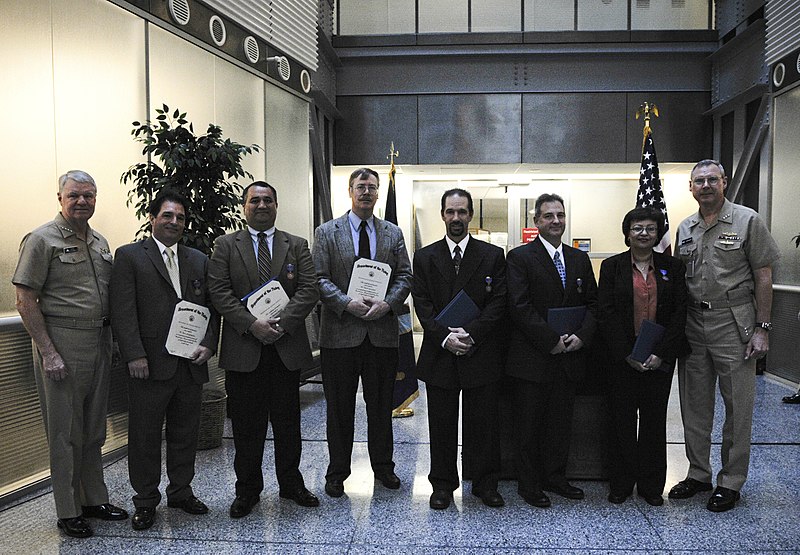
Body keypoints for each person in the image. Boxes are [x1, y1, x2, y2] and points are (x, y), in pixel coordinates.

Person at [12, 170, 128, 538]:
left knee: (94, 430)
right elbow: (24, 299)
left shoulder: (99, 242)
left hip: (100, 341)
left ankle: (94, 498)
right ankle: (68, 509)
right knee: (64, 433)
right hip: (62, 343)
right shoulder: (41, 239)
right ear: (60, 198)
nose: (82, 201)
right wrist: (48, 351)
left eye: (89, 195)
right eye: (74, 195)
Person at [669, 159, 780, 512]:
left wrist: (762, 329)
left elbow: (764, 276)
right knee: (694, 406)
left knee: (738, 406)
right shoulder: (685, 228)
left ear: (724, 183)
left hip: (734, 324)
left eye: (711, 180)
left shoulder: (748, 221)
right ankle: (699, 473)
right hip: (693, 324)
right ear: (691, 188)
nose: (705, 186)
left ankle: (731, 481)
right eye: (698, 181)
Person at [208, 181, 320, 517]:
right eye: (254, 200)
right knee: (246, 426)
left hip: (285, 349)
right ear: (244, 206)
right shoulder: (225, 245)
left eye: (267, 200)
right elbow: (219, 291)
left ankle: (291, 485)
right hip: (244, 350)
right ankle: (247, 491)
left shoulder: (296, 245)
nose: (261, 205)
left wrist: (282, 323)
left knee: (288, 424)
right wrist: (252, 324)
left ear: (276, 205)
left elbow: (309, 289)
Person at [110, 190, 218, 530]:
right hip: (148, 364)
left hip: (190, 363)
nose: (174, 222)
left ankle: (181, 492)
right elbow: (122, 310)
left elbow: (213, 309)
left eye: (181, 218)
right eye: (167, 216)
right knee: (144, 436)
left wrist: (209, 345)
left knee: (186, 433)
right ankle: (145, 501)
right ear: (153, 218)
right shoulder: (129, 256)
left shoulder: (198, 259)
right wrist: (134, 354)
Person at [312, 167, 412, 498]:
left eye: (372, 187)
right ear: (350, 192)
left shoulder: (392, 233)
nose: (366, 192)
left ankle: (384, 468)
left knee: (381, 406)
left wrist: (388, 304)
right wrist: (346, 303)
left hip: (382, 334)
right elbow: (319, 278)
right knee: (339, 408)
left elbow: (405, 277)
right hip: (340, 334)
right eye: (360, 186)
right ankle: (337, 472)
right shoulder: (327, 232)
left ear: (378, 193)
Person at [412, 189, 507, 510]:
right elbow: (422, 304)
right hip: (441, 352)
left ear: (470, 215)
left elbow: (499, 304)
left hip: (479, 351)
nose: (456, 218)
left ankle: (485, 483)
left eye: (462, 212)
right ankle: (442, 485)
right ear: (442, 214)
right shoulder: (425, 257)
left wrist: (471, 334)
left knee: (484, 424)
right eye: (450, 212)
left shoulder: (492, 256)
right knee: (441, 424)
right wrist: (445, 337)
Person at [505, 193, 597, 508]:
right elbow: (519, 307)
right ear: (536, 222)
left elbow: (592, 306)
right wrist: (551, 340)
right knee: (529, 426)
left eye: (559, 215)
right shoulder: (519, 258)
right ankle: (529, 485)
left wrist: (581, 337)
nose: (555, 221)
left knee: (560, 424)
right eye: (548, 216)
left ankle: (556, 478)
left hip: (569, 358)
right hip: (532, 359)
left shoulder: (579, 259)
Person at [598, 207, 690, 506]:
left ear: (657, 233)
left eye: (650, 228)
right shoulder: (612, 267)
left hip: (659, 359)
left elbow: (678, 314)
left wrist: (661, 355)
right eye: (637, 228)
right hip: (622, 358)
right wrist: (627, 354)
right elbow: (607, 312)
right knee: (621, 421)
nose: (644, 234)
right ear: (627, 233)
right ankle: (621, 483)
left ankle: (651, 486)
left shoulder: (672, 267)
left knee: (653, 422)